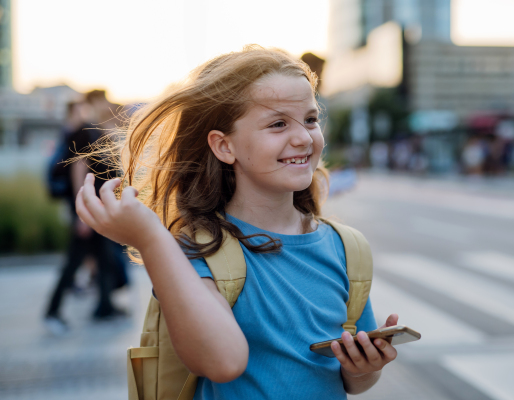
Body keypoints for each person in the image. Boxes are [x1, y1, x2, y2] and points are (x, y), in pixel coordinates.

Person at [75, 46, 399, 398]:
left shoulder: (347, 249)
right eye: (278, 124)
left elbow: (354, 380)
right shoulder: (199, 249)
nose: (304, 137)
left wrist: (365, 368)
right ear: (224, 146)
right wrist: (152, 240)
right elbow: (223, 362)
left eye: (310, 119)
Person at [44, 100, 125, 336]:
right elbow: (79, 168)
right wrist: (83, 214)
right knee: (73, 263)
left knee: (105, 259)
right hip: (88, 213)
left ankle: (105, 308)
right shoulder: (85, 132)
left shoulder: (102, 133)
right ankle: (52, 313)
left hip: (99, 212)